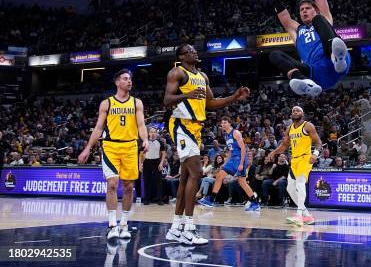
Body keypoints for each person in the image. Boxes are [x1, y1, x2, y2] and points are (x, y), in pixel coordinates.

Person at [164, 44, 250, 245]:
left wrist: (234, 97)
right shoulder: (177, 72)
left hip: (196, 128)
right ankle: (189, 229)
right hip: (180, 125)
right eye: (190, 50)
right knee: (197, 173)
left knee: (186, 178)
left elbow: (210, 103)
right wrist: (187, 95)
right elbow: (167, 100)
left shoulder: (203, 76)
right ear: (182, 56)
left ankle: (175, 228)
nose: (195, 52)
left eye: (195, 50)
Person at [77, 69, 149, 240]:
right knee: (112, 184)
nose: (129, 81)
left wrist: (145, 139)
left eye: (130, 79)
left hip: (131, 146)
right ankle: (111, 225)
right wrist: (87, 148)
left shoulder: (136, 103)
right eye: (125, 79)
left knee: (129, 187)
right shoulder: (107, 103)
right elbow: (98, 128)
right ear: (117, 82)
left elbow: (140, 124)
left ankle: (124, 224)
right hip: (110, 146)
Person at [259, 0, 351, 97]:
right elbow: (277, 6)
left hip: (335, 63)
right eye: (302, 10)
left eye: (307, 8)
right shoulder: (296, 29)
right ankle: (304, 82)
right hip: (315, 74)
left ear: (316, 9)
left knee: (318, 20)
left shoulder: (323, 17)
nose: (304, 11)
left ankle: (336, 56)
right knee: (274, 54)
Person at [266, 106, 322, 226]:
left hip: (305, 158)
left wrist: (315, 154)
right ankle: (307, 216)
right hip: (294, 160)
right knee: (290, 188)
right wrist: (273, 152)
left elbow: (318, 142)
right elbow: (284, 146)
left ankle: (299, 215)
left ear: (302, 113)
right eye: (293, 111)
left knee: (300, 184)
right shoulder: (289, 128)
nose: (295, 112)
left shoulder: (308, 126)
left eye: (298, 111)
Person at [200, 117, 260, 211]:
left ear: (229, 123)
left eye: (225, 123)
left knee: (234, 179)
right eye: (222, 123)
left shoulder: (235, 133)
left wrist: (241, 164)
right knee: (234, 180)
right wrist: (225, 162)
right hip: (233, 159)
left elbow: (243, 148)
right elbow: (231, 151)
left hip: (239, 159)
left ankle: (211, 200)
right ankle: (255, 203)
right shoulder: (226, 135)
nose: (223, 124)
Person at [140, 127, 167, 205]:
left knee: (159, 182)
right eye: (151, 132)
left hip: (156, 161)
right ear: (148, 133)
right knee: (146, 182)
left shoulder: (160, 142)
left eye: (154, 132)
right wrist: (140, 164)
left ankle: (159, 199)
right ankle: (146, 199)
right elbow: (141, 154)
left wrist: (161, 163)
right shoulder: (145, 142)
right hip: (147, 162)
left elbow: (164, 153)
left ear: (156, 133)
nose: (153, 133)